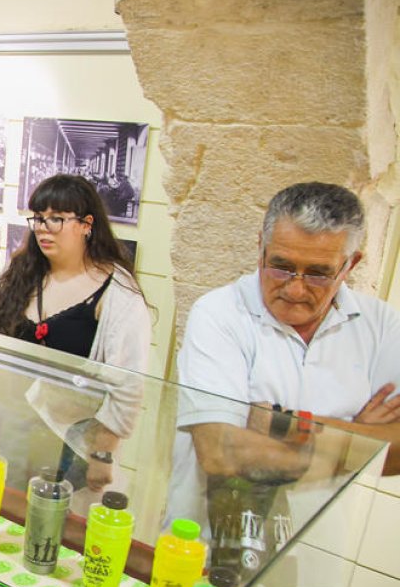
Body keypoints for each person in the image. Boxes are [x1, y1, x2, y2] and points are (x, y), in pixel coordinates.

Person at [169, 182, 400, 531]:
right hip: (208, 547)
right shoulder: (220, 313)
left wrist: (283, 423)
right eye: (280, 266)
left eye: (318, 273)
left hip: (319, 553)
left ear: (350, 265)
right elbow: (220, 451)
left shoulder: (382, 325)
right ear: (260, 247)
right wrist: (362, 438)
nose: (294, 288)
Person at [0, 174, 151, 494]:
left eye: (56, 218)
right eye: (39, 218)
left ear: (87, 224)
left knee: (38, 520)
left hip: (59, 435)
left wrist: (104, 450)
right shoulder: (21, 271)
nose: (43, 228)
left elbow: (128, 382)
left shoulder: (117, 292)